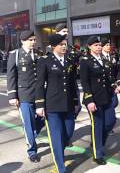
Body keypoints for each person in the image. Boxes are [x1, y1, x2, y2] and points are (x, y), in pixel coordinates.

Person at [35, 34, 79, 173]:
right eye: (61, 44)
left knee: (68, 131)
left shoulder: (70, 60)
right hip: (52, 104)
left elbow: (72, 83)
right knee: (56, 135)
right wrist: (39, 105)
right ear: (54, 46)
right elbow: (40, 84)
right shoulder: (45, 61)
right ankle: (61, 167)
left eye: (65, 44)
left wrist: (76, 101)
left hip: (68, 104)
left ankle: (59, 148)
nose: (64, 46)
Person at [79, 36, 120, 165]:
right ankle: (97, 153)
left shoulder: (105, 59)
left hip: (107, 96)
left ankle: (98, 142)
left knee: (110, 122)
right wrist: (89, 100)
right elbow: (85, 82)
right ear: (89, 47)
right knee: (97, 126)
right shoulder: (85, 61)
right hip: (94, 99)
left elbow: (109, 78)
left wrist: (116, 87)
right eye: (95, 45)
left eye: (99, 45)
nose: (98, 47)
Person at [7, 30, 44, 162]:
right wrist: (12, 95)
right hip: (24, 95)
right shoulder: (15, 54)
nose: (33, 42)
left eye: (34, 40)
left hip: (39, 94)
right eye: (30, 40)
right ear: (23, 41)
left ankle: (32, 137)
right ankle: (32, 151)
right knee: (28, 123)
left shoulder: (39, 54)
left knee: (42, 119)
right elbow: (11, 75)